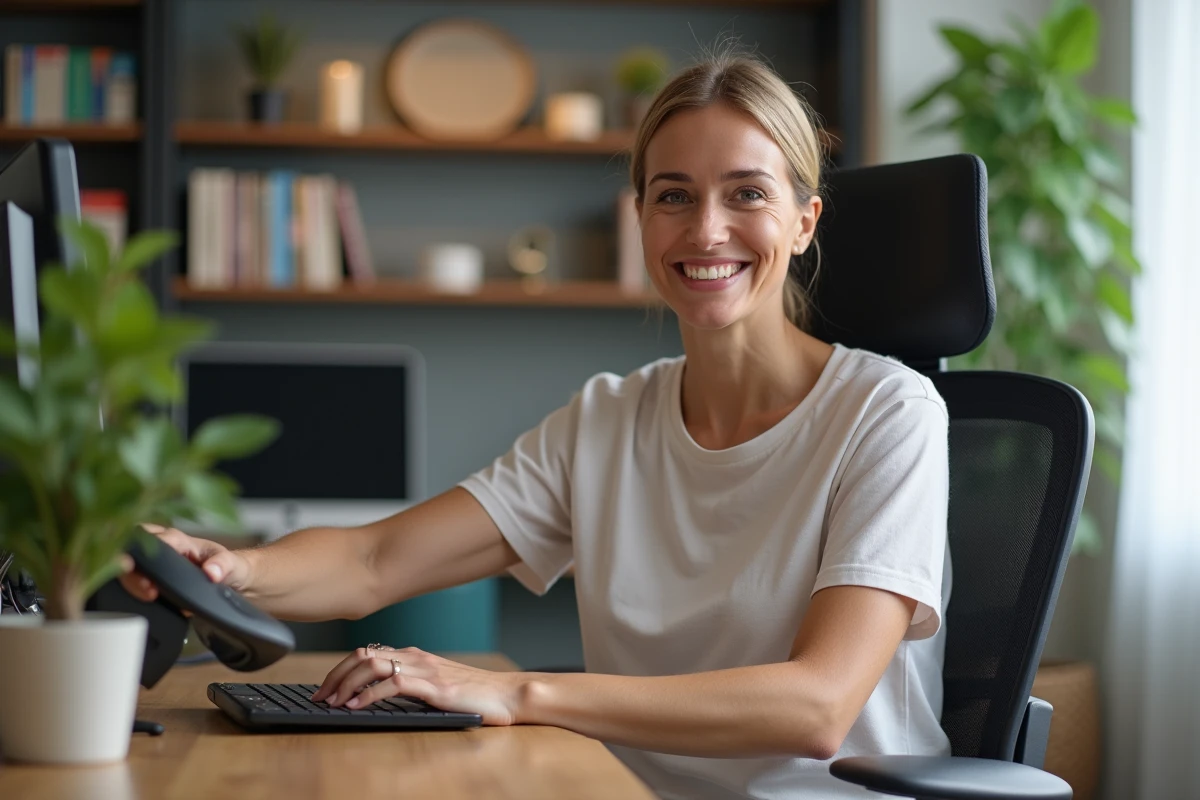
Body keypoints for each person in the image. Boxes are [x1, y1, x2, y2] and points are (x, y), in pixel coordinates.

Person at [127, 52, 952, 800]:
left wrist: (520, 691)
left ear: (804, 222)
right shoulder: (606, 420)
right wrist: (227, 569)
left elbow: (817, 704)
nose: (706, 229)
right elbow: (375, 560)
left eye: (747, 194)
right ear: (642, 221)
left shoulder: (887, 415)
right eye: (674, 196)